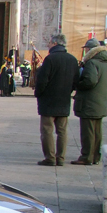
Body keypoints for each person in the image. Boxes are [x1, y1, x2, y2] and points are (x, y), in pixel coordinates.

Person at [34, 33, 80, 166]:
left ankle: (50, 157)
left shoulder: (50, 59)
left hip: (49, 101)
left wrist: (39, 93)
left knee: (47, 129)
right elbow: (76, 80)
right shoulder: (72, 59)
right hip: (64, 100)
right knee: (62, 131)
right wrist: (67, 91)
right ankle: (61, 158)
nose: (48, 45)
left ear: (55, 44)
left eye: (49, 43)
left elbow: (42, 80)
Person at [71, 38, 107, 165]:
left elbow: (90, 81)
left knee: (88, 132)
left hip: (89, 102)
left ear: (89, 50)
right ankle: (95, 156)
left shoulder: (91, 63)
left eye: (86, 49)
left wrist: (78, 84)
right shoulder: (106, 63)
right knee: (97, 132)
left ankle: (86, 157)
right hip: (100, 102)